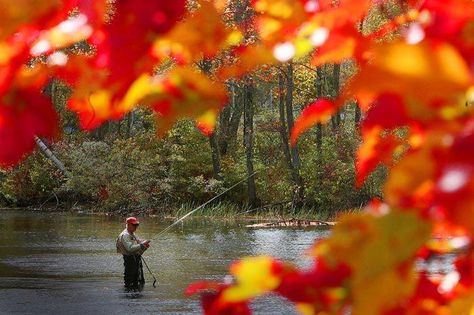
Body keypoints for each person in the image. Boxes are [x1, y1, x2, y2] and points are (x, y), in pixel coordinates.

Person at [116, 216, 150, 290]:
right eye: (134, 225)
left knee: (137, 281)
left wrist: (144, 247)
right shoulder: (125, 235)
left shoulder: (132, 234)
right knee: (130, 282)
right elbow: (130, 248)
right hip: (130, 261)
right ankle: (129, 297)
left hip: (135, 260)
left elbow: (137, 249)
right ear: (128, 225)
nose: (135, 227)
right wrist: (142, 245)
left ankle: (135, 295)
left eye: (136, 225)